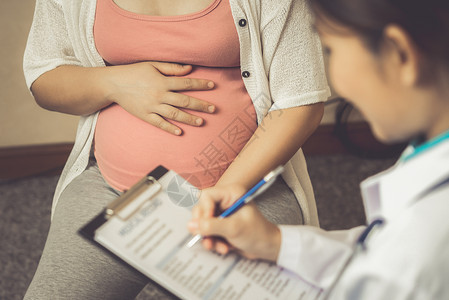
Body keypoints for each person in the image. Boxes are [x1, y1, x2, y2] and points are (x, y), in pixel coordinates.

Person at [23, 0, 329, 298]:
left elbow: (301, 101)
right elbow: (45, 76)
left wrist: (225, 193)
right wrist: (113, 83)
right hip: (110, 188)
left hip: (241, 199)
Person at [188, 0, 449, 298]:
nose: (335, 77)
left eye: (330, 50)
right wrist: (275, 242)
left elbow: (392, 270)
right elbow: (378, 251)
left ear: (400, 54)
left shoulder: (421, 252)